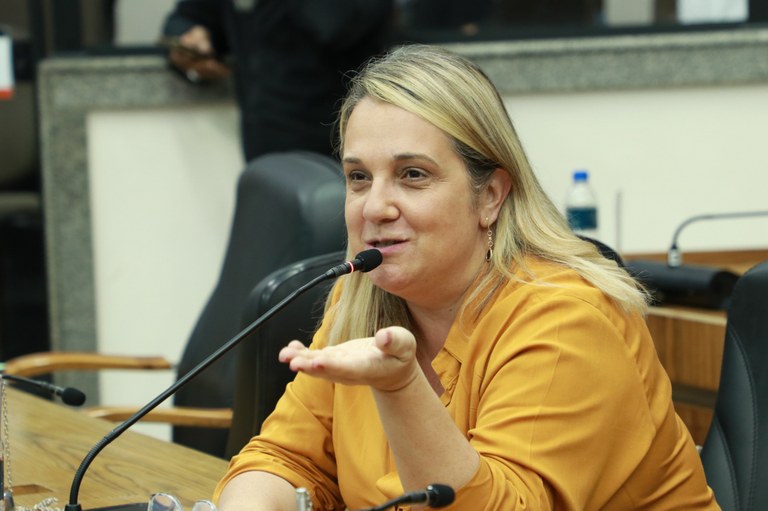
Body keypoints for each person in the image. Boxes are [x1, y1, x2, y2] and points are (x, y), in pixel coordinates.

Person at [214, 44, 720, 510]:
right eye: (359, 177)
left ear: (491, 196)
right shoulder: (361, 301)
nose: (374, 207)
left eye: (413, 175)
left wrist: (400, 387)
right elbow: (286, 459)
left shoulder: (566, 320)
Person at [162, 0, 395, 160]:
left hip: (343, 143)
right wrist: (188, 39)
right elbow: (186, 17)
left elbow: (334, 24)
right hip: (263, 141)